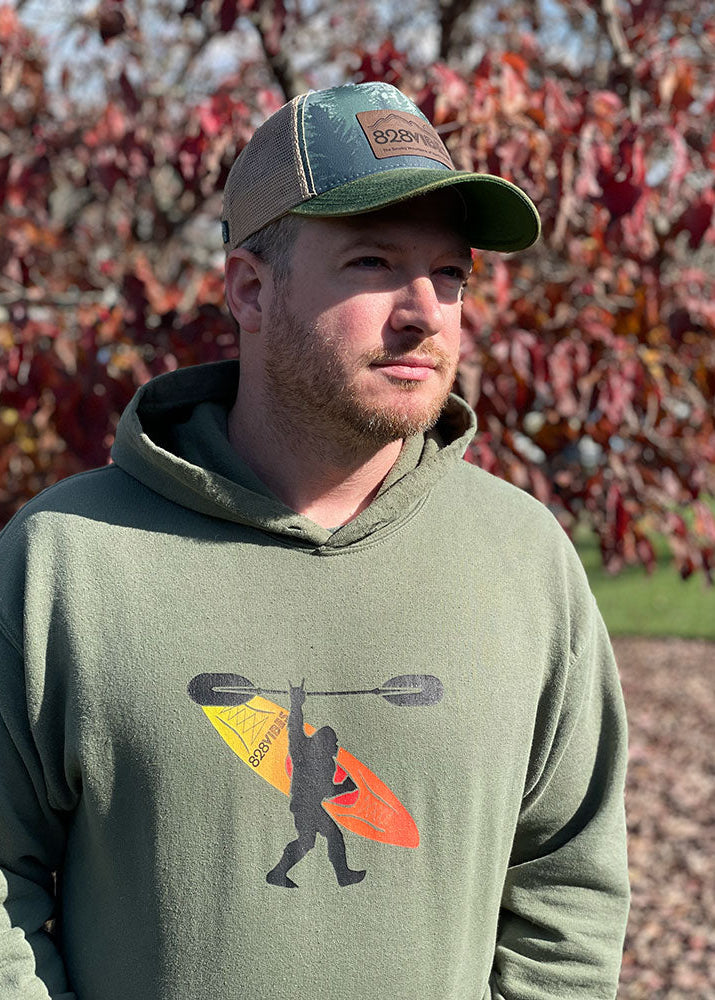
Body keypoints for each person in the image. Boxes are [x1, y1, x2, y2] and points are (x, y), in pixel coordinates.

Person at [0, 82, 629, 1000]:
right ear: (250, 289)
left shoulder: (524, 562)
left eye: (449, 274)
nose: (425, 311)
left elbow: (565, 889)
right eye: (373, 263)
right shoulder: (66, 559)